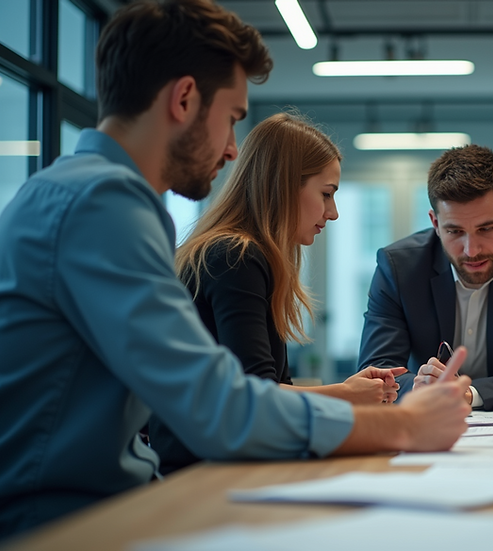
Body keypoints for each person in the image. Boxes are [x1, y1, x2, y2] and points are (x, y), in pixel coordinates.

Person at [0, 1, 470, 544]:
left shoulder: (76, 192)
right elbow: (218, 407)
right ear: (184, 99)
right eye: (233, 118)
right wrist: (405, 424)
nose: (235, 147)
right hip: (59, 524)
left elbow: (207, 394)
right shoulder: (103, 202)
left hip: (110, 503)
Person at [148, 112, 409, 475]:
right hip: (201, 471)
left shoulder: (244, 255)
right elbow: (259, 395)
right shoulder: (235, 256)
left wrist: (346, 390)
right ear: (285, 186)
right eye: (326, 194)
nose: (332, 213)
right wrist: (347, 396)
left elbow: (271, 388)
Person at [358, 144, 493, 410]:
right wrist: (419, 386)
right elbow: (377, 373)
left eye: (486, 228)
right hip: (426, 418)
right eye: (454, 231)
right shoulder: (398, 266)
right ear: (435, 223)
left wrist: (470, 393)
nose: (471, 250)